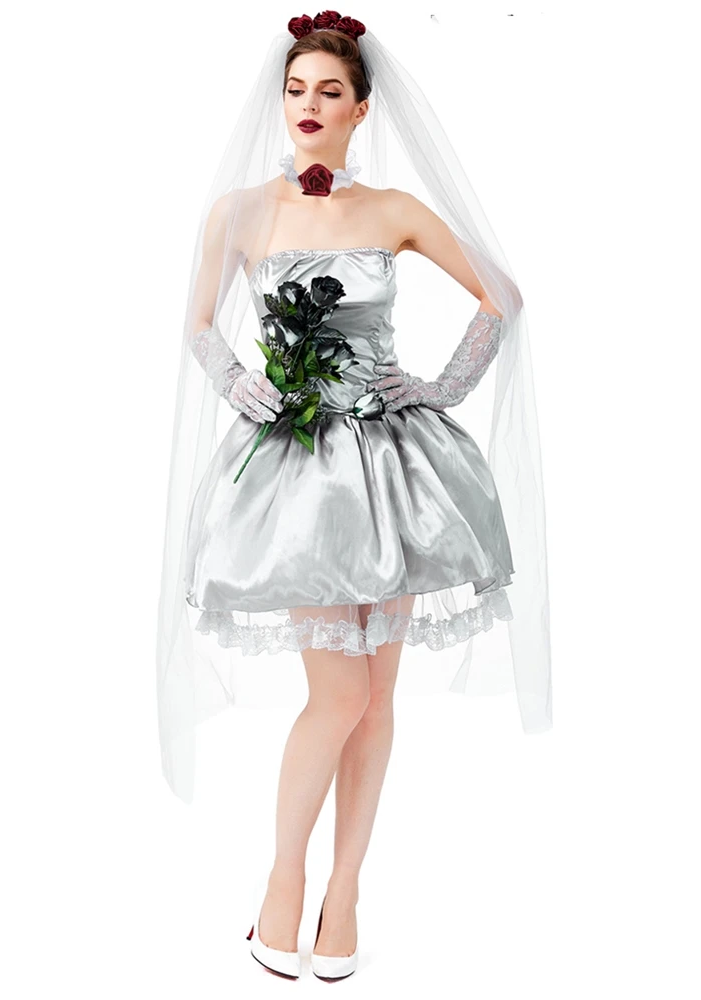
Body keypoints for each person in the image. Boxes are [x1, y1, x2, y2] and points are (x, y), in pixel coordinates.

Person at [156, 10, 552, 982]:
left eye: (329, 91)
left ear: (360, 108)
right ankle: (281, 882)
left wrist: (441, 386)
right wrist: (235, 380)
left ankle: (345, 892)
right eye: (296, 89)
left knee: (377, 695)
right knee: (336, 691)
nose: (308, 105)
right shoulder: (239, 212)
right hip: (302, 473)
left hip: (397, 465)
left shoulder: (392, 209)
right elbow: (198, 323)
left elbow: (501, 293)